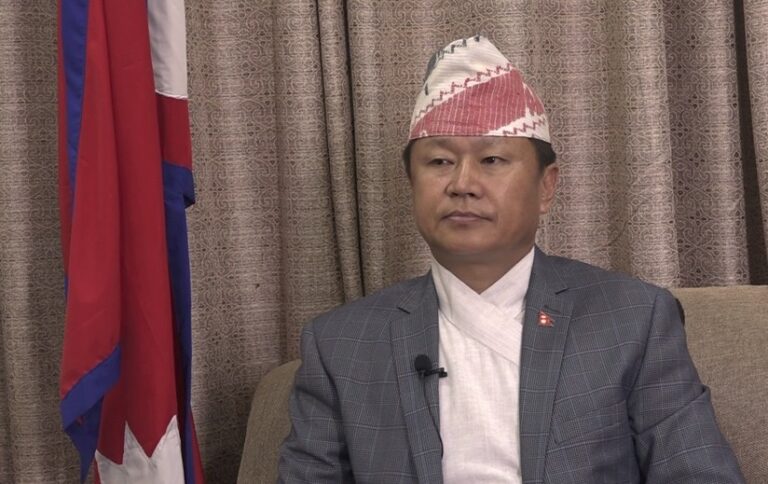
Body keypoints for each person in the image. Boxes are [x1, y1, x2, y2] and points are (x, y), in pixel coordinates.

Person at [277, 35, 744, 483]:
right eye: (439, 162)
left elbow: (697, 472)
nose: (463, 184)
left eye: (492, 161)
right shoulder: (341, 344)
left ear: (546, 186)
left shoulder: (632, 318)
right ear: (411, 184)